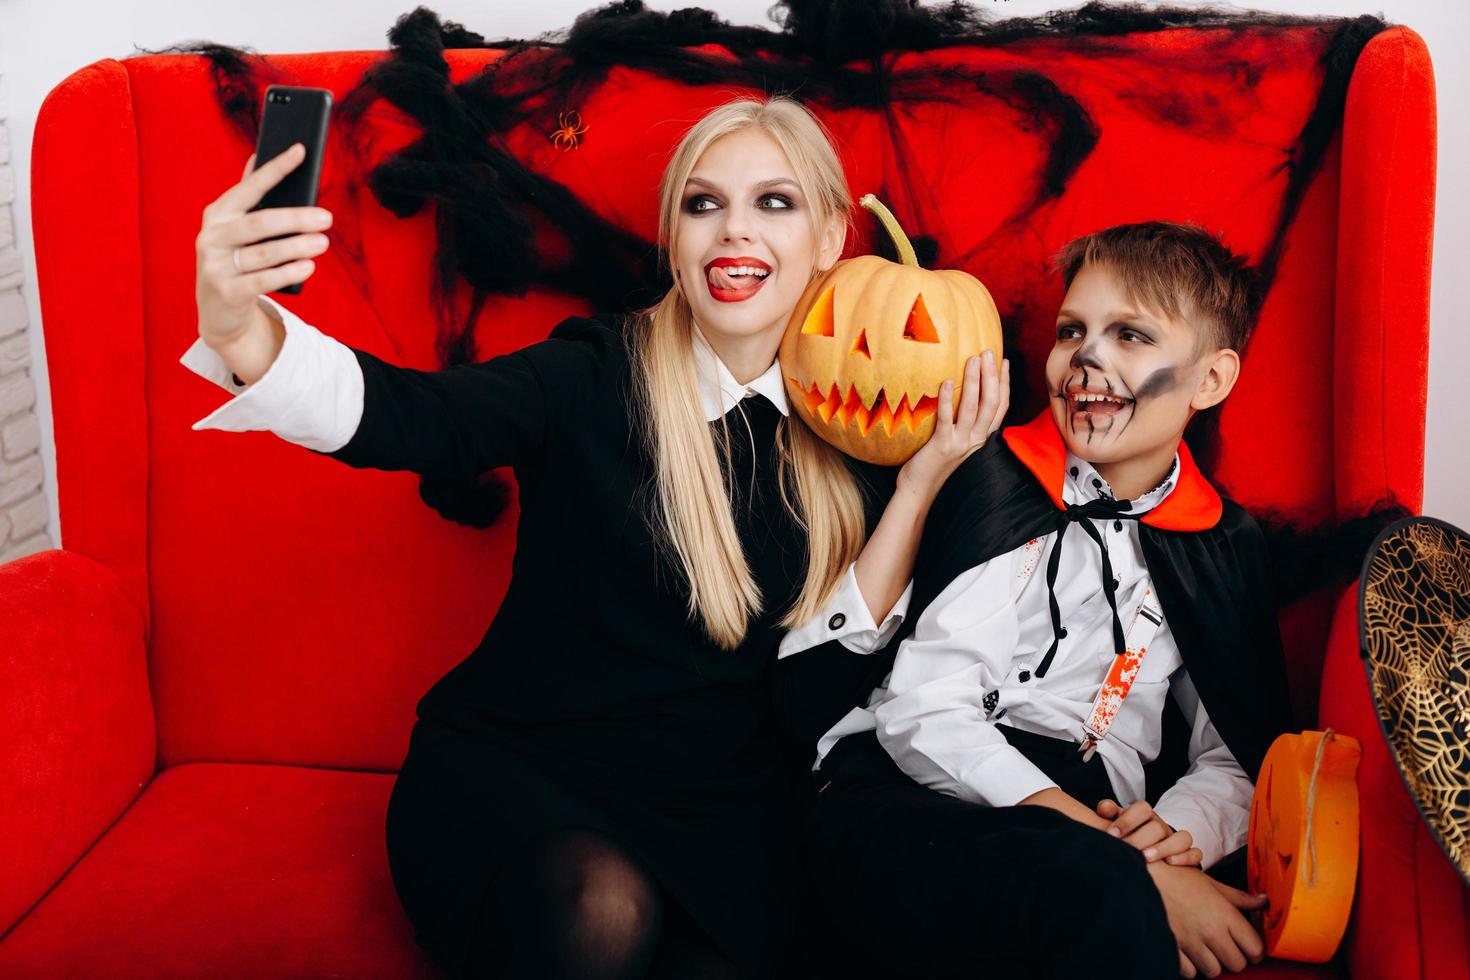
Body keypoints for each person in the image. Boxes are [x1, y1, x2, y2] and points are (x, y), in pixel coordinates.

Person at [184, 96, 1008, 979]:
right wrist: (240, 328)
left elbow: (833, 694)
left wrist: (922, 482)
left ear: (833, 236)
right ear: (675, 236)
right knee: (598, 911)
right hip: (527, 776)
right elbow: (413, 418)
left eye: (775, 203)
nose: (735, 233)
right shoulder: (591, 372)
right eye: (703, 204)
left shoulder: (873, 428)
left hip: (720, 818)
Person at [781, 222, 1292, 979]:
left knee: (1090, 904)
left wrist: (1172, 842)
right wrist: (1126, 867)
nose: (1088, 358)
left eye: (1131, 335)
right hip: (911, 801)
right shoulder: (996, 484)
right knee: (1092, 897)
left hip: (1089, 827)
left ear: (1212, 380)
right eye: (1071, 331)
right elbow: (927, 712)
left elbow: (1239, 758)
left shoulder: (1220, 543)